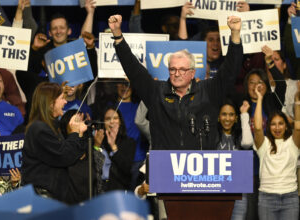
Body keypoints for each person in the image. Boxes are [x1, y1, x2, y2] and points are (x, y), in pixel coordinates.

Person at [108, 14, 243, 150]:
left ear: (192, 73)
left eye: (182, 69)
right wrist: (118, 36)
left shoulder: (208, 91)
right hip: (165, 166)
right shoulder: (157, 92)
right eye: (173, 69)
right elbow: (134, 69)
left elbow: (230, 71)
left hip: (202, 167)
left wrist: (235, 35)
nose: (177, 74)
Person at [21, 82, 88, 204]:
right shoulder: (39, 129)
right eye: (62, 98)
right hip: (42, 201)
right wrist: (73, 133)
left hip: (54, 198)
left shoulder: (49, 128)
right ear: (51, 103)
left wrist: (79, 133)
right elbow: (64, 156)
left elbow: (74, 155)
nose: (65, 102)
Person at [253, 83, 300, 220]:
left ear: (286, 126)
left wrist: (297, 101)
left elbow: (297, 128)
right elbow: (257, 128)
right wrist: (259, 98)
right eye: (273, 124)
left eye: (281, 123)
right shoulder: (264, 144)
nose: (277, 127)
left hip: (290, 198)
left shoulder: (293, 143)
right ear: (269, 126)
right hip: (267, 198)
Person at [217, 99, 253, 220]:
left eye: (231, 115)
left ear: (236, 118)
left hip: (239, 192)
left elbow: (248, 143)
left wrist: (243, 114)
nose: (227, 118)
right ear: (218, 117)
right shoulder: (211, 136)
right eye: (224, 114)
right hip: (217, 192)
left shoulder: (240, 137)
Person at [93, 106, 136, 192]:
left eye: (115, 118)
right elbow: (91, 166)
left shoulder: (129, 142)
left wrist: (113, 147)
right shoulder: (97, 140)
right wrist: (96, 145)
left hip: (119, 189)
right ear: (103, 122)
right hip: (98, 189)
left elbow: (126, 169)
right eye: (108, 119)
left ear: (120, 121)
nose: (112, 122)